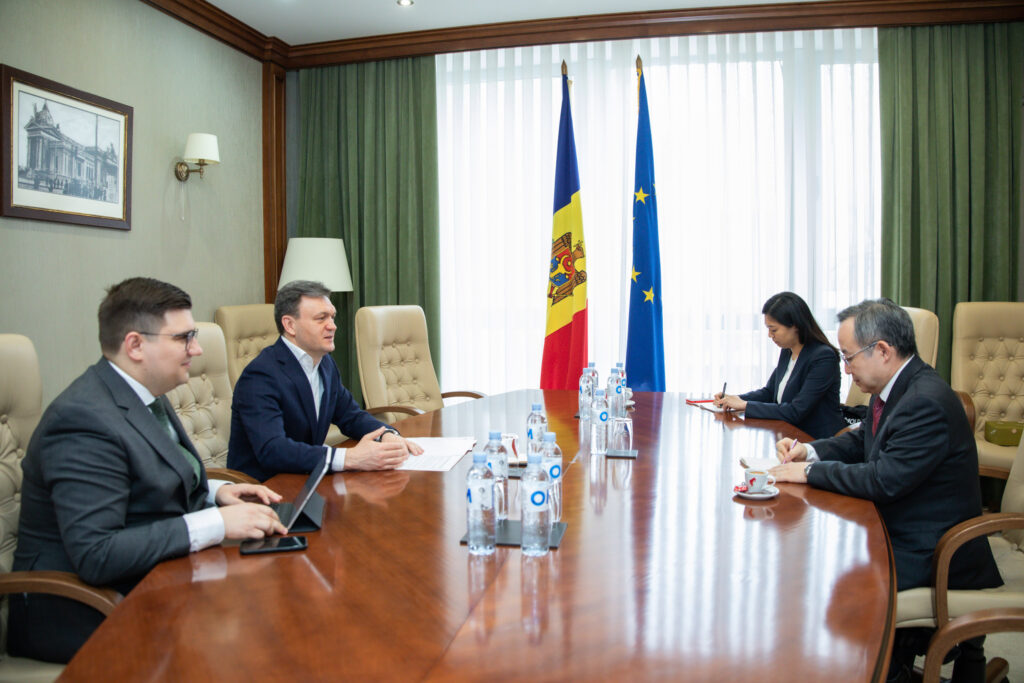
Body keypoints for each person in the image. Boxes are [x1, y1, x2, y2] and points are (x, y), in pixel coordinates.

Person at [10, 277, 288, 663]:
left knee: (274, 598)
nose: (197, 349)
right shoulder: (82, 420)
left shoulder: (142, 392)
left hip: (152, 578)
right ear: (135, 345)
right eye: (184, 338)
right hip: (79, 609)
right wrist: (218, 523)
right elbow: (97, 554)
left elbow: (150, 474)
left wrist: (216, 492)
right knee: (254, 639)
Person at [770, 298, 1002, 683]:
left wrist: (809, 473)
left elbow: (883, 480)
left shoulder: (924, 401)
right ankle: (895, 659)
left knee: (832, 589)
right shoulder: (899, 386)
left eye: (848, 358)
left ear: (882, 350)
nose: (845, 370)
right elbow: (864, 439)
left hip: (937, 549)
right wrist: (809, 451)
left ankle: (887, 668)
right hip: (906, 530)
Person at [228, 280, 423, 481]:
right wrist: (350, 458)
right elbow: (273, 450)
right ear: (290, 325)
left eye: (332, 317)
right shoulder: (261, 375)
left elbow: (350, 416)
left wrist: (387, 435)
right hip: (264, 488)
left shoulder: (324, 363)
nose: (332, 326)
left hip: (306, 479)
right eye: (321, 319)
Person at [714, 291, 846, 439]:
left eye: (774, 329)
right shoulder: (787, 351)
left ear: (795, 326)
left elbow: (796, 411)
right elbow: (769, 393)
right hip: (789, 435)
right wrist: (734, 399)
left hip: (815, 439)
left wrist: (744, 405)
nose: (770, 335)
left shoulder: (823, 357)